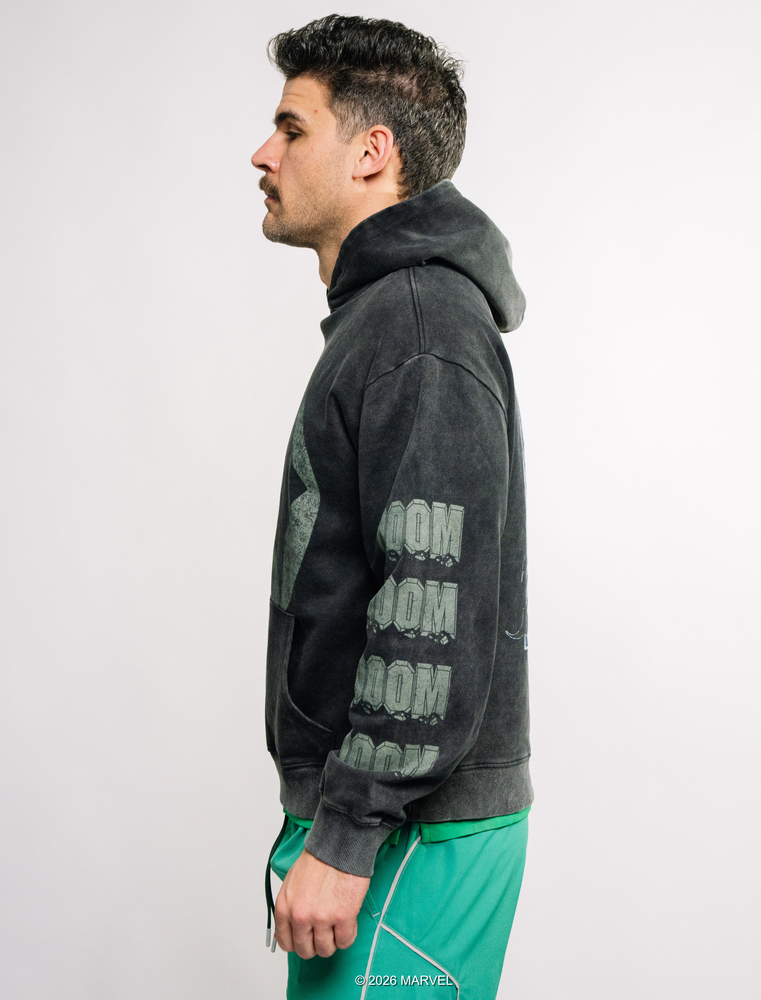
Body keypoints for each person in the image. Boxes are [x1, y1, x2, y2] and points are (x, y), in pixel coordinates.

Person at [252, 15, 532, 999]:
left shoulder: (417, 326)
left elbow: (430, 605)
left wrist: (347, 832)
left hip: (407, 839)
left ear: (372, 152)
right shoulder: (391, 319)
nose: (263, 153)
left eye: (291, 128)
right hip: (392, 830)